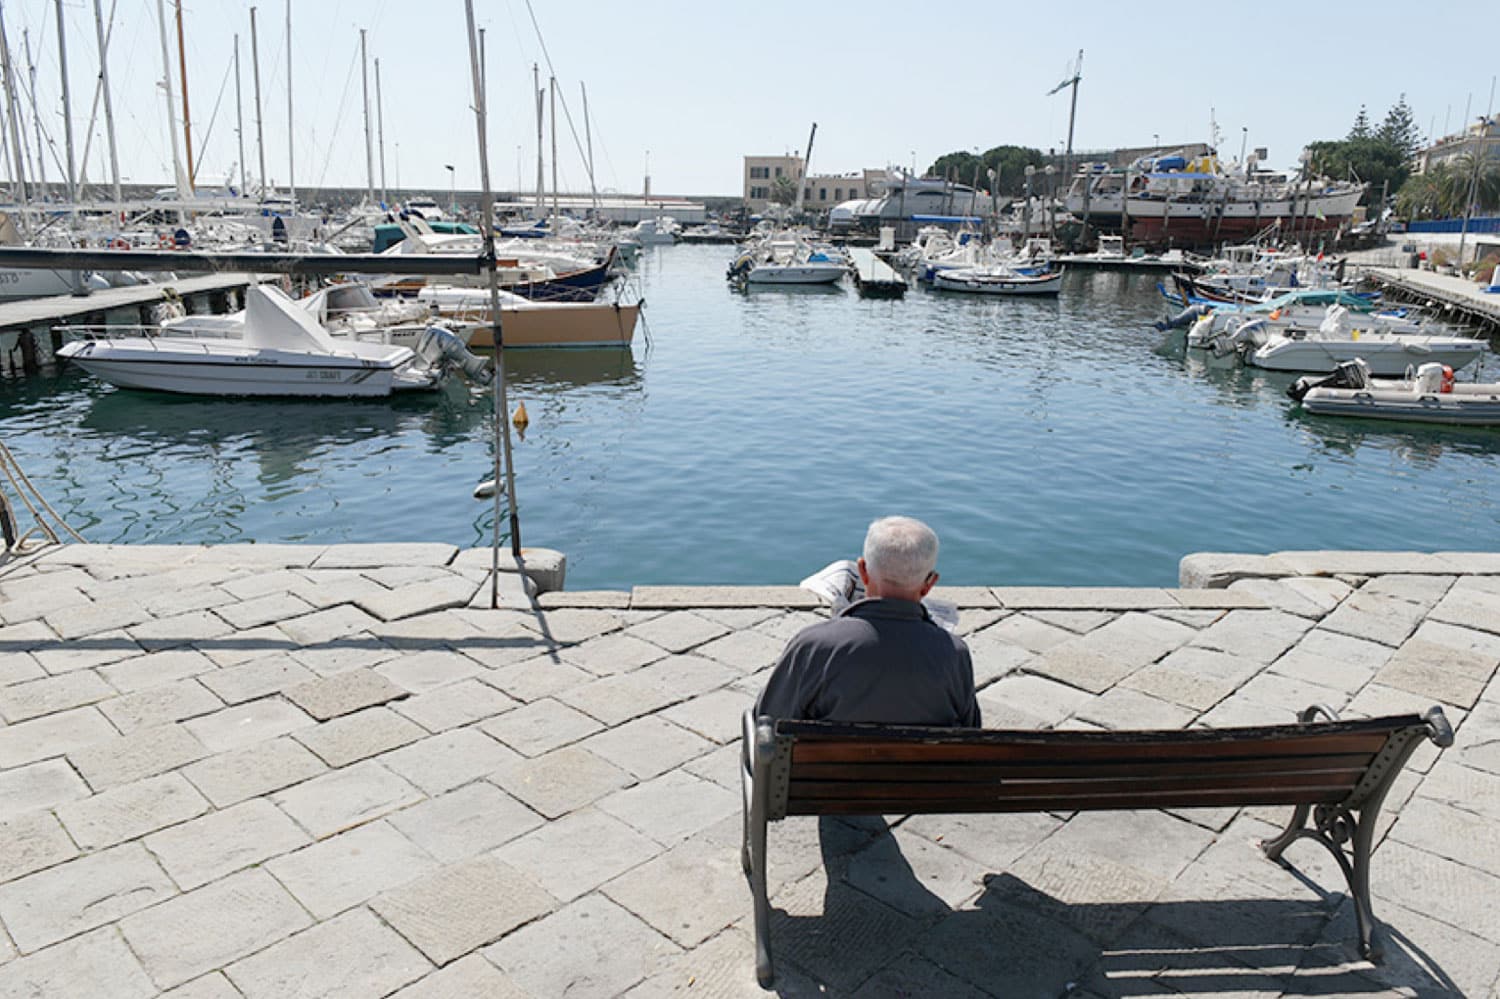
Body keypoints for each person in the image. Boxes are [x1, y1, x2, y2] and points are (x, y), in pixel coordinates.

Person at [755, 516, 980, 727]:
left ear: (862, 570)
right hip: (921, 769)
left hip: (824, 769)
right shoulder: (954, 654)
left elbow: (769, 720)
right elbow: (970, 731)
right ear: (929, 584)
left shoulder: (814, 646)